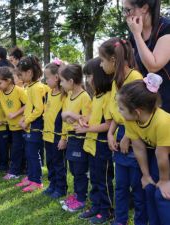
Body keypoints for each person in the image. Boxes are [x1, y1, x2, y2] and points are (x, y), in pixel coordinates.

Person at [99, 37, 147, 225]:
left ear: (113, 60)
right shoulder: (115, 81)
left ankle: (140, 222)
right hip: (119, 136)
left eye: (102, 61)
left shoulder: (135, 78)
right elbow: (116, 112)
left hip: (135, 139)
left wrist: (128, 136)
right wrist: (111, 133)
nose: (101, 65)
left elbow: (139, 113)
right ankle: (120, 220)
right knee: (120, 186)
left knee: (137, 188)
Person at [118, 73, 170, 225]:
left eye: (121, 108)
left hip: (164, 155)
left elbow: (162, 154)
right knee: (149, 188)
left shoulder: (163, 122)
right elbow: (139, 148)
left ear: (137, 111)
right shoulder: (131, 120)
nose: (118, 111)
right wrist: (146, 175)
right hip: (160, 155)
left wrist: (165, 180)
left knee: (163, 194)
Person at [76, 57, 114, 224]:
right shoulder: (96, 96)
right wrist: (84, 120)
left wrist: (87, 128)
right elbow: (92, 116)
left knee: (104, 180)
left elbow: (108, 124)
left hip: (102, 145)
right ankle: (96, 205)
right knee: (95, 178)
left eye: (90, 75)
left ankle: (107, 210)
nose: (87, 80)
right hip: (91, 144)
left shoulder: (108, 96)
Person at [124, 0, 170, 112]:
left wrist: (136, 34)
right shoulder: (134, 33)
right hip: (147, 100)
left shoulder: (166, 28)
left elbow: (153, 66)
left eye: (128, 10)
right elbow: (134, 67)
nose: (125, 15)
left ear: (144, 8)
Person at [59, 64, 91, 212]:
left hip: (80, 138)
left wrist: (73, 116)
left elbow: (87, 120)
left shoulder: (84, 97)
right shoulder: (69, 96)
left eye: (62, 81)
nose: (61, 84)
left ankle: (81, 198)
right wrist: (63, 137)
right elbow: (65, 120)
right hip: (71, 138)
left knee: (79, 169)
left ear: (71, 81)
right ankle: (77, 194)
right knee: (73, 167)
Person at [17, 55, 47, 192]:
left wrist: (27, 121)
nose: (20, 77)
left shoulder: (35, 88)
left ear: (29, 72)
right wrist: (24, 118)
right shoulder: (31, 86)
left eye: (21, 74)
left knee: (33, 154)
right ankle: (31, 176)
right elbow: (30, 107)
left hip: (35, 126)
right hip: (30, 125)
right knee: (29, 153)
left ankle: (36, 181)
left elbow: (39, 109)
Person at [42, 60, 67, 199]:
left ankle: (61, 188)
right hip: (47, 136)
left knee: (59, 164)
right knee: (50, 162)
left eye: (47, 78)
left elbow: (64, 120)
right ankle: (52, 184)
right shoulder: (49, 93)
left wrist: (64, 138)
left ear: (56, 78)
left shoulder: (64, 96)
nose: (46, 81)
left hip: (58, 137)